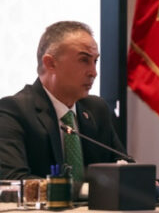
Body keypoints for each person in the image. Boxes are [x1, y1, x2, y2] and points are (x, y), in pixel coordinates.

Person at [0, 21, 125, 180]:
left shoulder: (96, 109)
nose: (93, 72)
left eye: (95, 61)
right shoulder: (13, 111)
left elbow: (123, 166)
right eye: (84, 60)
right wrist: (74, 190)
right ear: (50, 63)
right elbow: (13, 179)